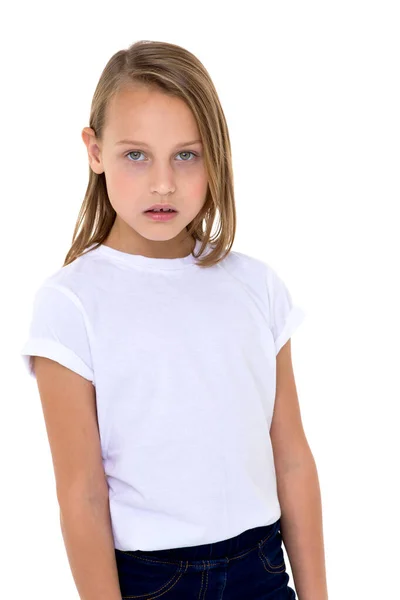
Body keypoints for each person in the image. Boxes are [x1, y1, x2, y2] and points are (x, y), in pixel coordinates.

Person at [20, 40, 328, 600]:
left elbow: (292, 461)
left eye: (186, 155)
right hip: (151, 581)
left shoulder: (256, 286)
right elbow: (82, 494)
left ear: (215, 155)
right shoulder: (71, 304)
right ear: (94, 151)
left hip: (263, 567)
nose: (162, 183)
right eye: (136, 154)